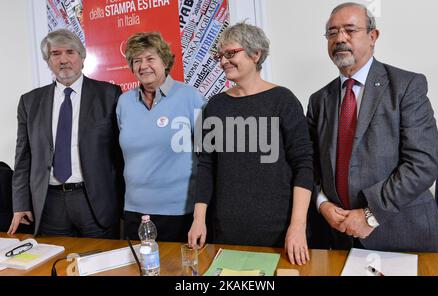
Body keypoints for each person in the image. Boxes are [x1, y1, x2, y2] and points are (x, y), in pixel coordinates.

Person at [307, 2, 438, 252]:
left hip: (405, 238)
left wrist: (370, 215)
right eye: (332, 32)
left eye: (350, 30)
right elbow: (310, 164)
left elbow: (423, 163)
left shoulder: (407, 87)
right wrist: (322, 203)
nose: (340, 38)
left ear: (373, 36)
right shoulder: (318, 100)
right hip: (339, 239)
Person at [188, 22, 314, 265]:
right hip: (227, 230)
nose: (223, 61)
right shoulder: (215, 106)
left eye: (230, 53)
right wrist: (199, 218)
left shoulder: (283, 100)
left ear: (256, 54)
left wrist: (298, 226)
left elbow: (304, 165)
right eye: (220, 55)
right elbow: (206, 165)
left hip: (280, 233)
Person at [8, 29, 124, 238]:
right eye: (55, 54)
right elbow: (23, 159)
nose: (64, 60)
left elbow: (120, 155)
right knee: (54, 265)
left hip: (96, 202)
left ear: (82, 57)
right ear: (48, 61)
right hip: (49, 204)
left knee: (101, 266)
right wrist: (20, 204)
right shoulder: (29, 101)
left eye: (70, 52)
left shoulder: (110, 95)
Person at [116, 32, 205, 242]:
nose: (143, 65)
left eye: (150, 58)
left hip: (180, 212)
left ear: (165, 61)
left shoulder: (190, 96)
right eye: (137, 60)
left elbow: (207, 156)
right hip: (134, 212)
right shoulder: (124, 102)